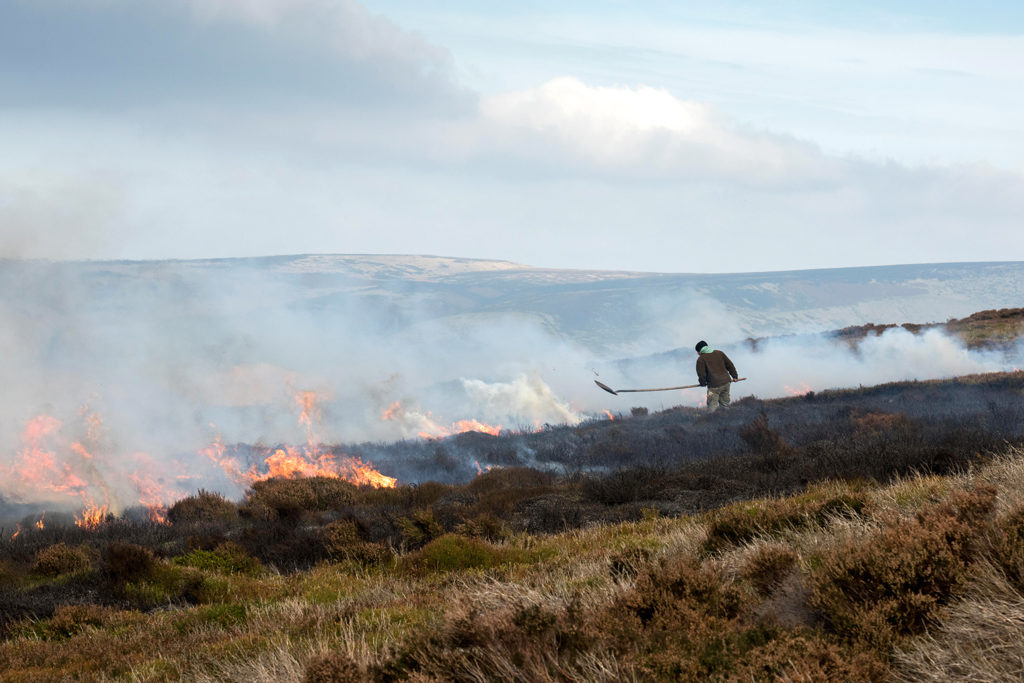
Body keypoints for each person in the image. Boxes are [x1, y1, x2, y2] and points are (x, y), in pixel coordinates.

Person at [695, 340, 739, 412]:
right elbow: (730, 365)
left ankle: (713, 422)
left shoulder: (701, 359)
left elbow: (701, 374)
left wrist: (702, 383)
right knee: (725, 405)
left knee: (712, 407)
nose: (697, 353)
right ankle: (727, 420)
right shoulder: (719, 353)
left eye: (697, 351)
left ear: (700, 350)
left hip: (714, 386)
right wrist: (735, 376)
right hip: (726, 382)